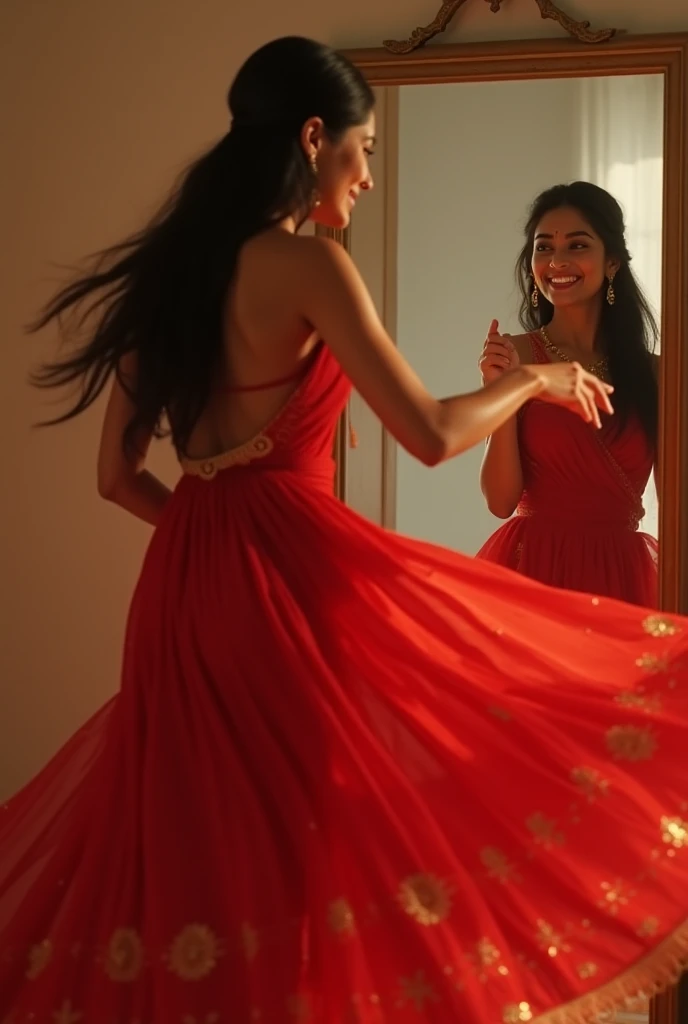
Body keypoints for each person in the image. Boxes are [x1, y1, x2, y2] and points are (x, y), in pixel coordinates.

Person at [1, 37, 687, 1024]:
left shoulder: (174, 273)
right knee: (312, 843)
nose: (365, 178)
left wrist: (217, 543)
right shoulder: (306, 264)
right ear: (315, 138)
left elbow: (117, 476)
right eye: (362, 151)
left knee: (194, 850)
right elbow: (432, 435)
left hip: (183, 587)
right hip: (290, 584)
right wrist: (532, 379)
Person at [477, 182, 659, 605]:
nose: (557, 261)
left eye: (577, 245)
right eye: (544, 248)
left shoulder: (655, 372)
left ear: (611, 261)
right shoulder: (515, 355)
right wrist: (498, 389)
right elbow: (500, 502)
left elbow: (676, 509)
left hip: (623, 578)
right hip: (534, 571)